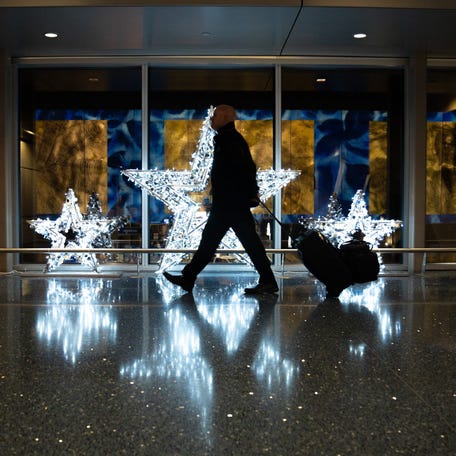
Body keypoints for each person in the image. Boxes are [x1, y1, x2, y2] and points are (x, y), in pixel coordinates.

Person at [163, 104, 278, 294]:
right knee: (221, 242)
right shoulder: (229, 139)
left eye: (214, 116)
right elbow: (246, 168)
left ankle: (188, 278)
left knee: (219, 242)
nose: (211, 119)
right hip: (231, 203)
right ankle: (188, 278)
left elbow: (246, 168)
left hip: (229, 204)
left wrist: (248, 192)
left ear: (225, 118)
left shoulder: (229, 139)